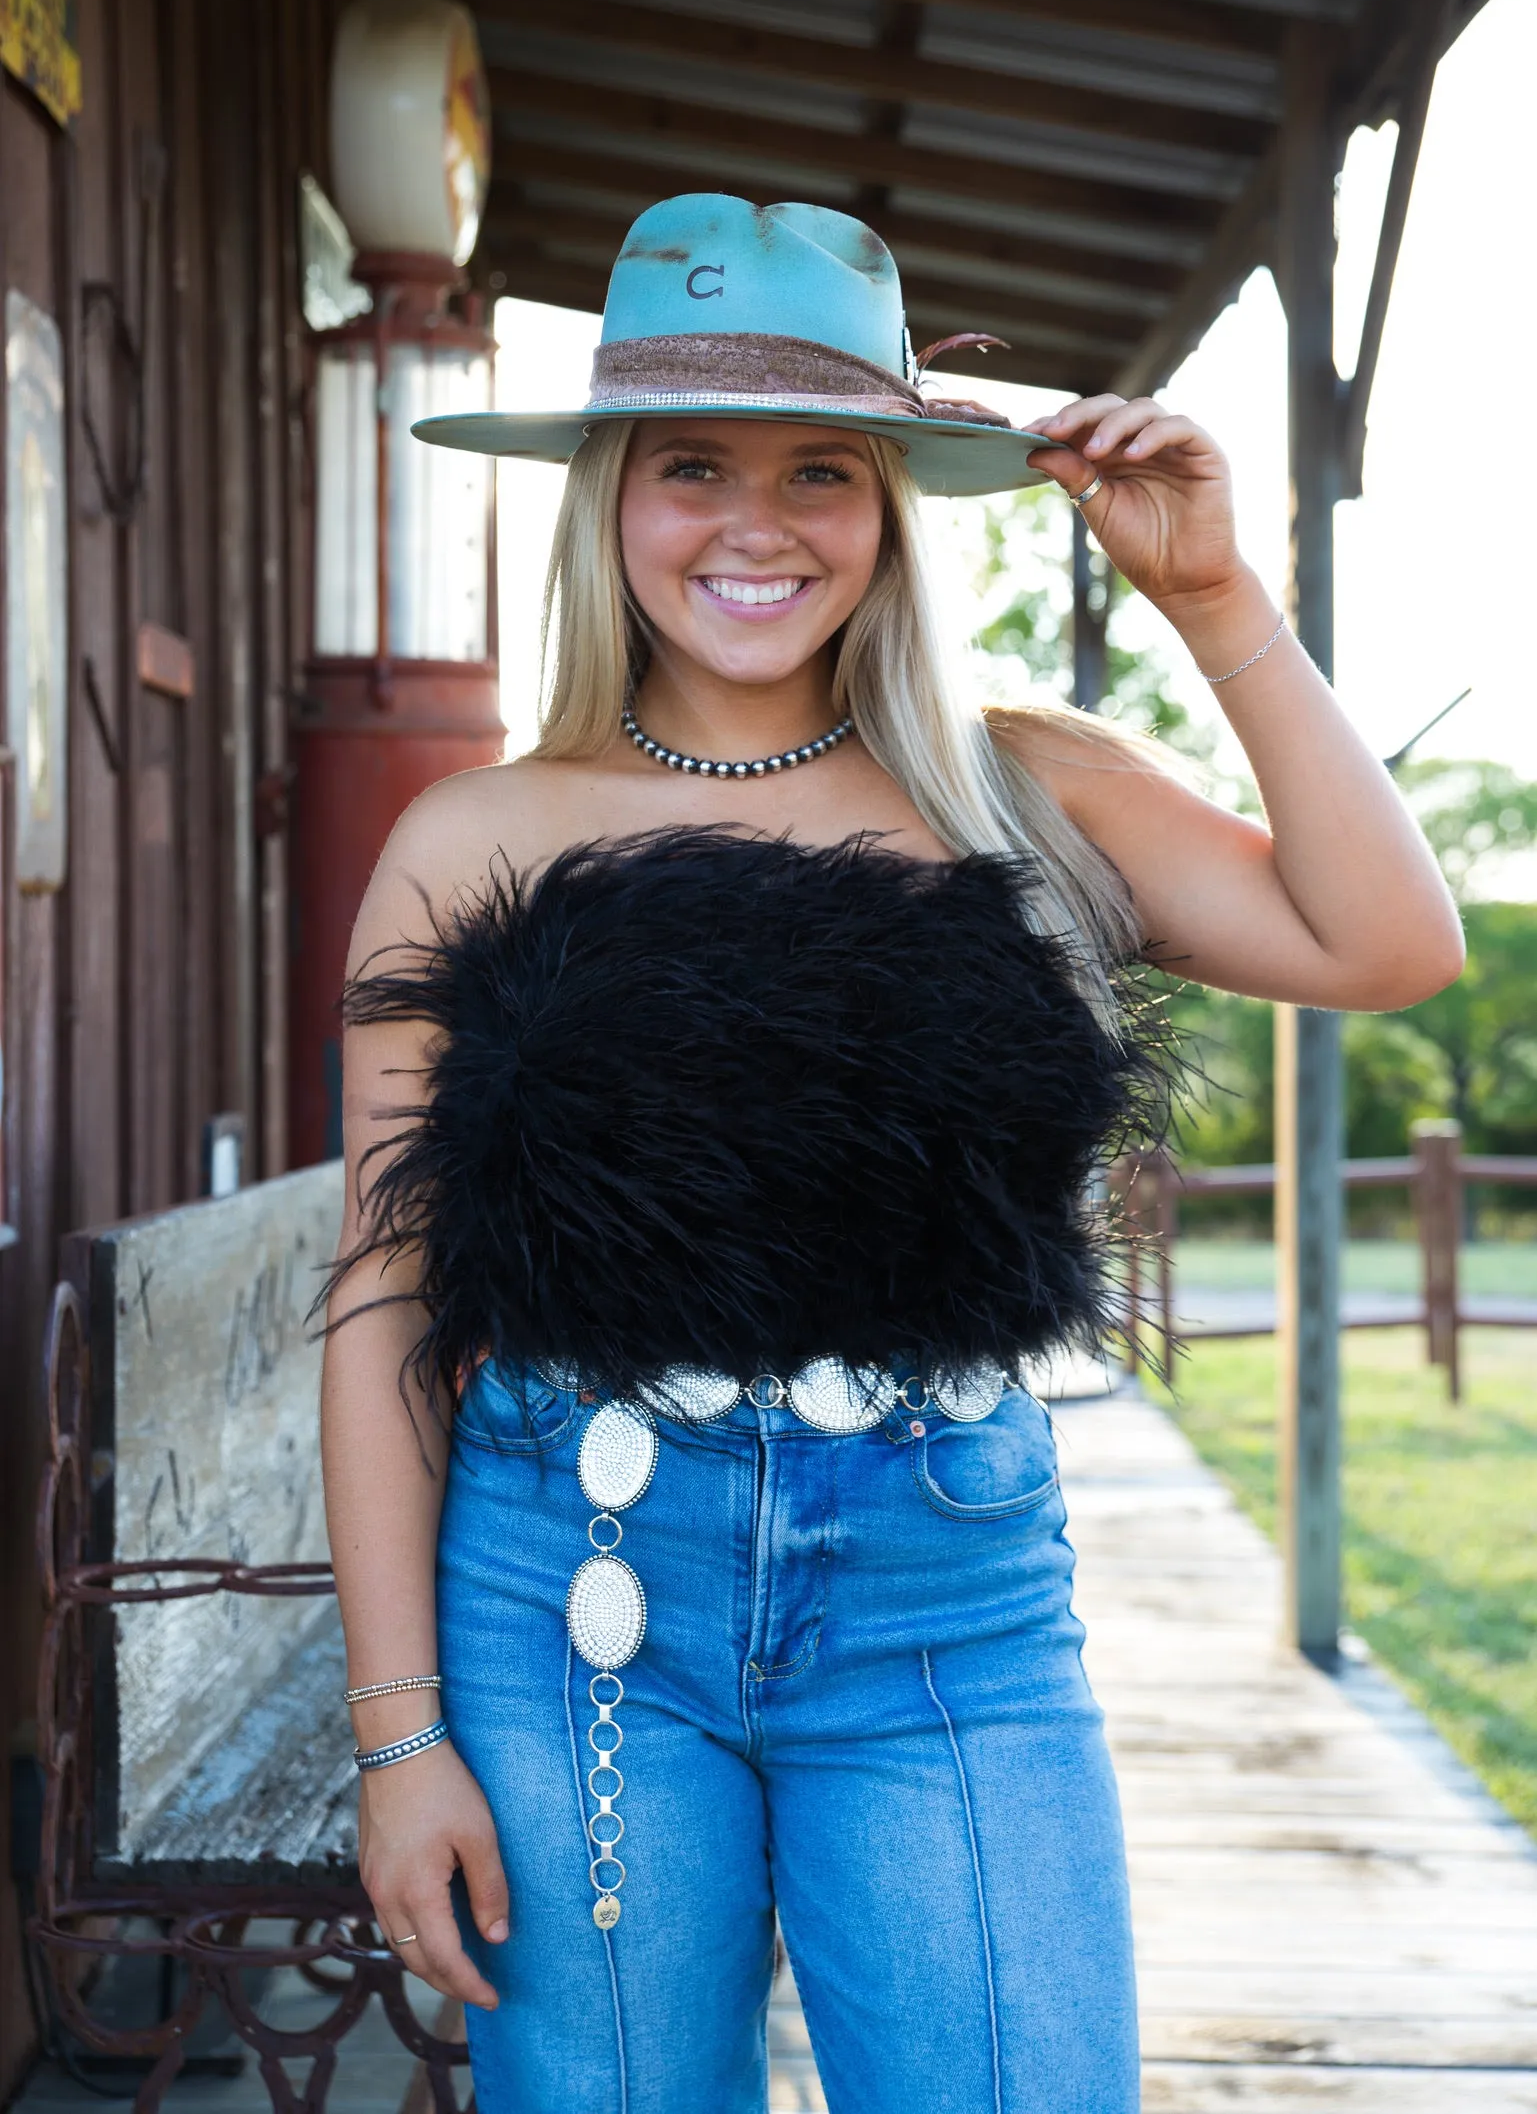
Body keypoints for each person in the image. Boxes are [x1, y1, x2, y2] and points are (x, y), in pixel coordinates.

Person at [319, 193, 1461, 2114]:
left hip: (945, 1603)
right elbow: (382, 1300)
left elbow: (1388, 942)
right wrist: (397, 1733)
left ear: (889, 508)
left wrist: (1216, 602)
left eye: (820, 471)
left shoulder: (1021, 786)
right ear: (609, 493)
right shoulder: (477, 835)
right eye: (693, 466)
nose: (755, 524)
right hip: (572, 1593)